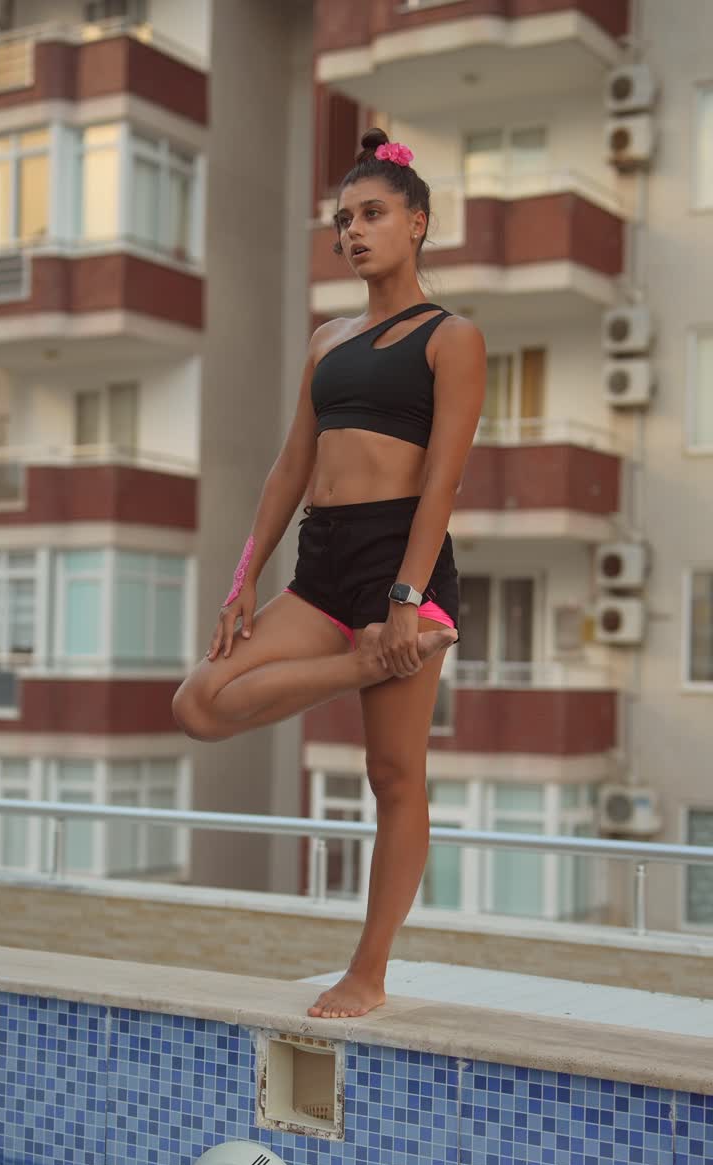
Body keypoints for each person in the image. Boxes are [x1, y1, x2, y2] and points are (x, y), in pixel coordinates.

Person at [172, 127, 486, 1019]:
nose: (352, 231)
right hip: (319, 566)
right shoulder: (326, 340)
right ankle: (368, 662)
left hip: (400, 564)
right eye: (342, 220)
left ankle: (368, 972)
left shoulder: (452, 336)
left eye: (372, 214)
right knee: (198, 702)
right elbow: (287, 468)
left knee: (394, 777)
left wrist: (403, 602)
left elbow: (443, 479)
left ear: (417, 223)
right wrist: (242, 582)